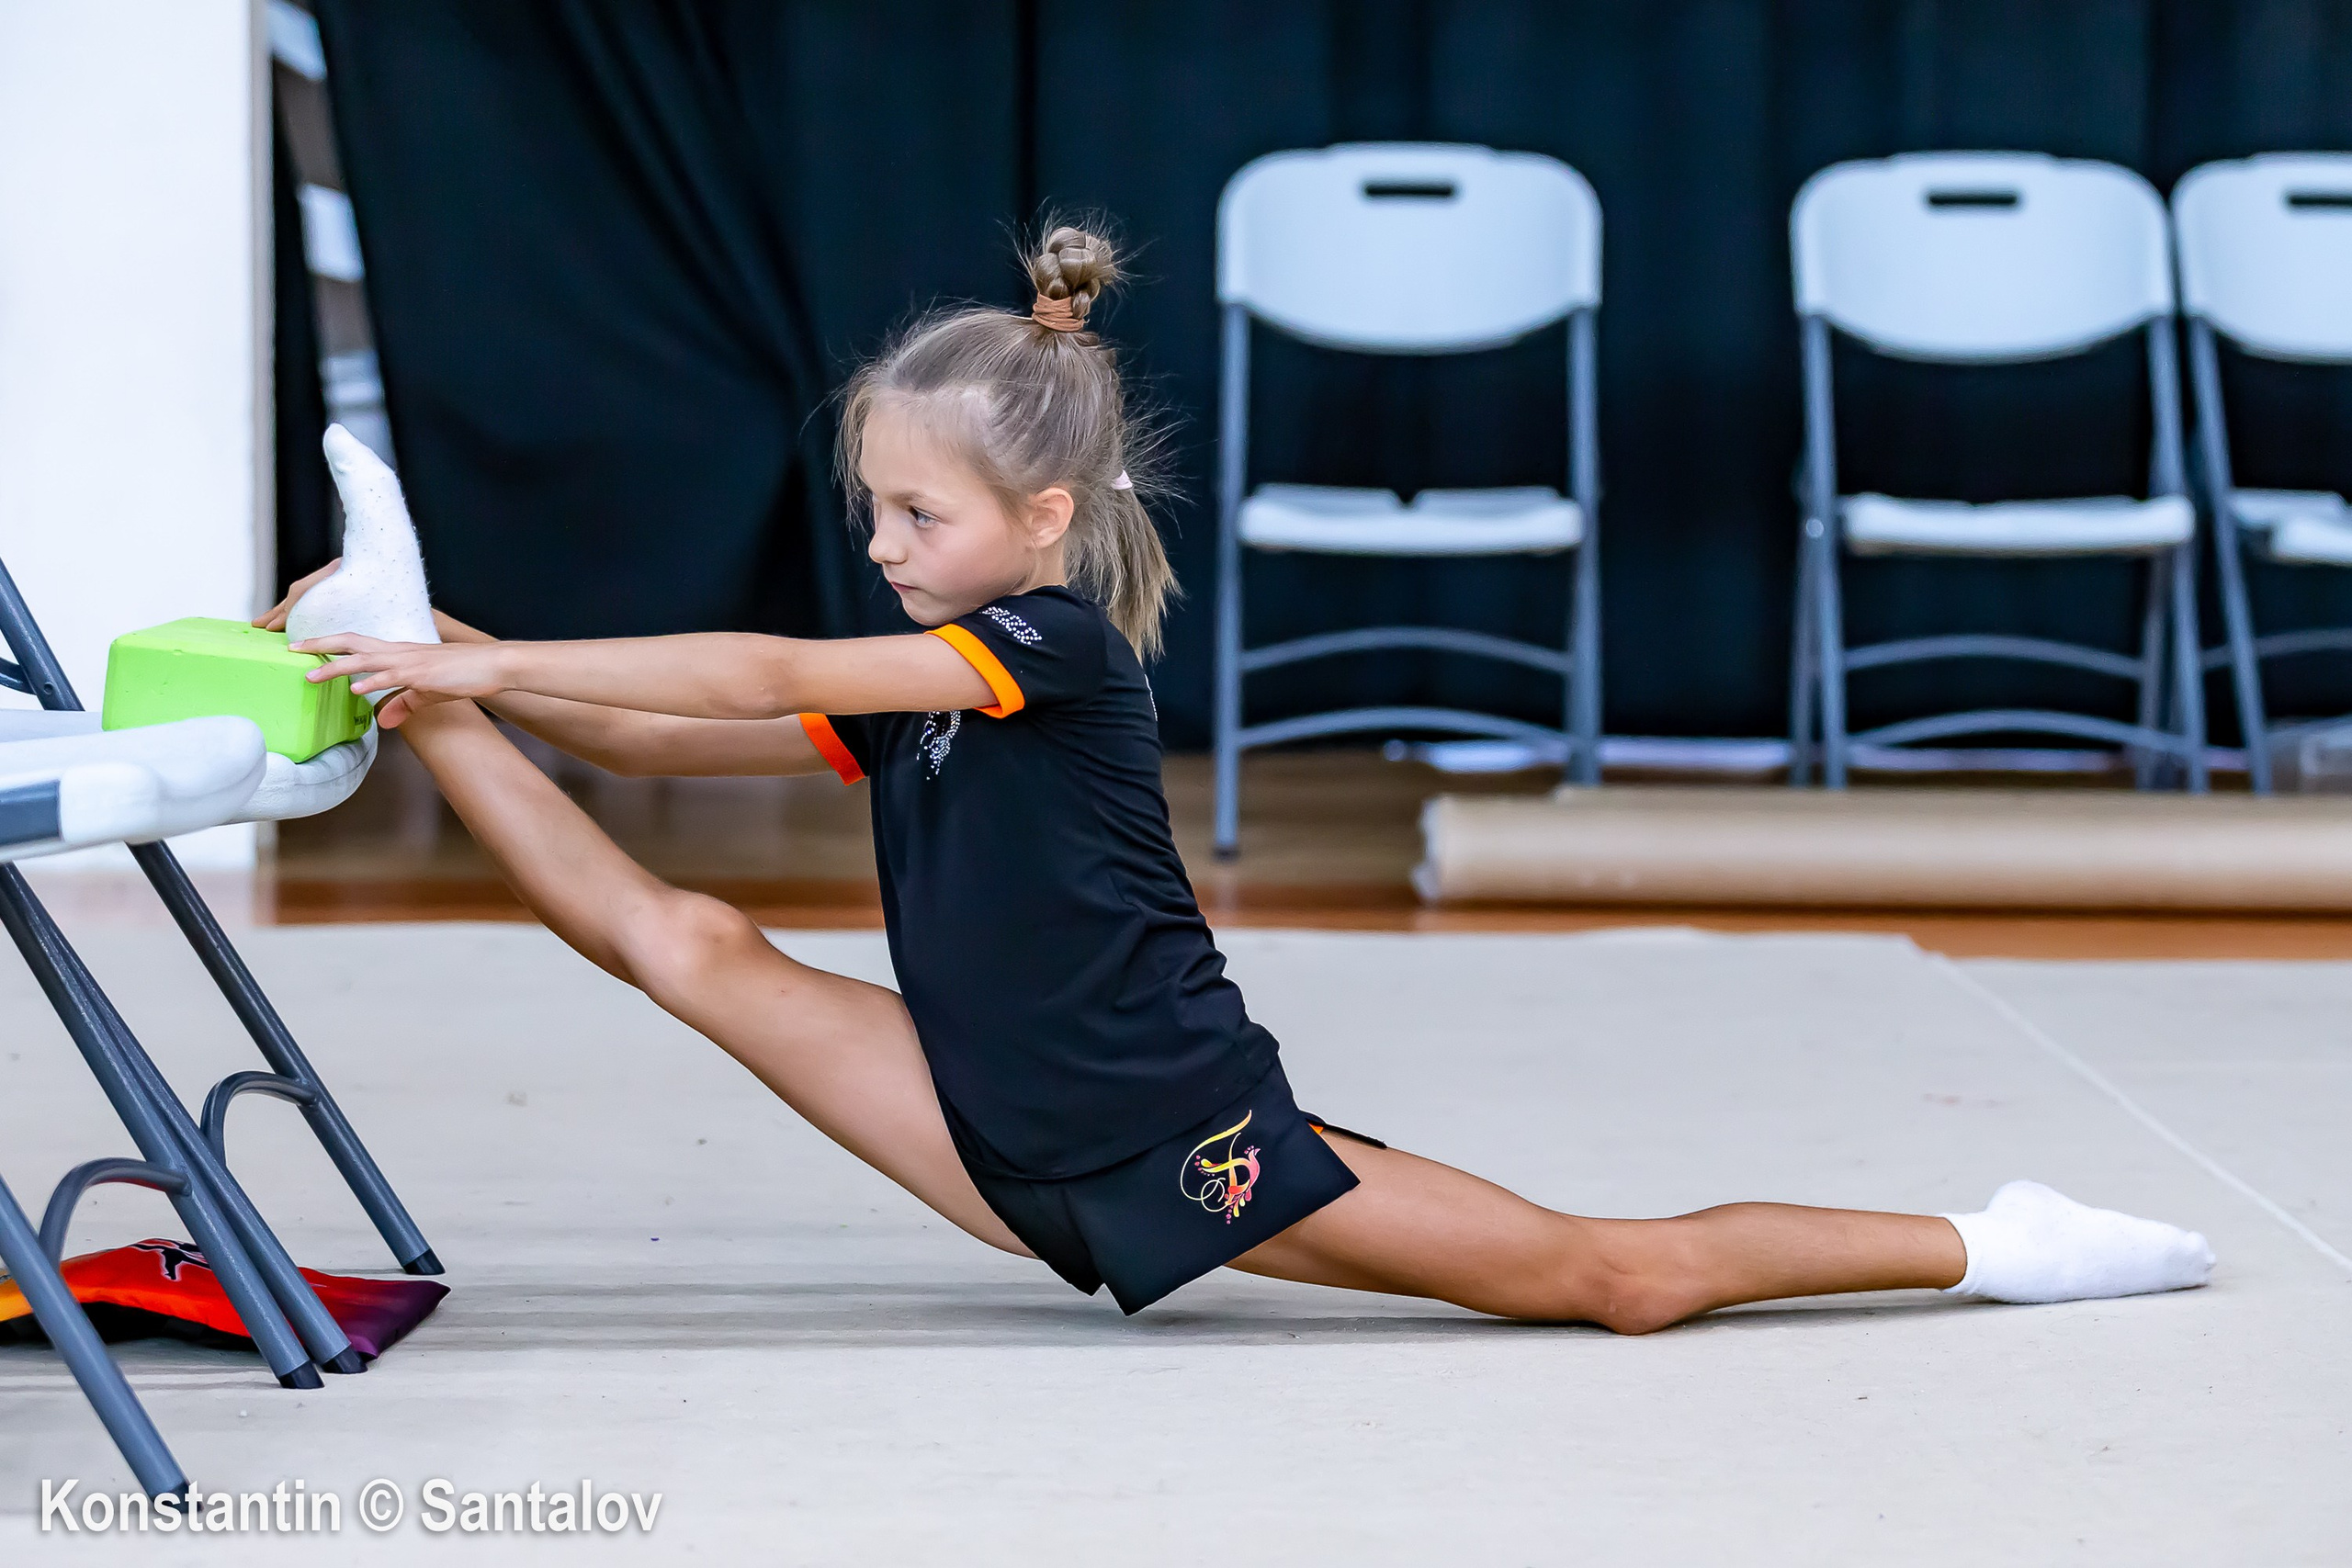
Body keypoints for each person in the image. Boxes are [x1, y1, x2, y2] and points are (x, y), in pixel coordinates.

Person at [268, 224, 2213, 1331]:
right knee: (673, 934)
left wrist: (496, 654)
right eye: (870, 505)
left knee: (1605, 1276)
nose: (878, 537)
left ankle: (1982, 1236)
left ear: (1036, 517)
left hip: (1166, 1128)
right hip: (985, 1126)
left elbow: (764, 663)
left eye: (914, 510)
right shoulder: (929, 661)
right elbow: (663, 733)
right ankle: (420, 684)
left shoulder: (1044, 647)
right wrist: (441, 667)